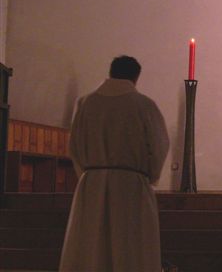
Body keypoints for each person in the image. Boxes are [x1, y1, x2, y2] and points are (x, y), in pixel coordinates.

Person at [59, 56, 170, 272]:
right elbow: (159, 145)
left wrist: (88, 175)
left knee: (92, 247)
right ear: (136, 77)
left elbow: (75, 147)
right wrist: (150, 176)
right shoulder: (144, 105)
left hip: (92, 184)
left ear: (110, 73)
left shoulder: (86, 103)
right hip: (131, 186)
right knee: (130, 247)